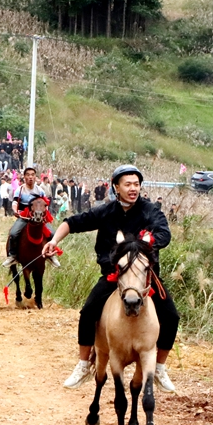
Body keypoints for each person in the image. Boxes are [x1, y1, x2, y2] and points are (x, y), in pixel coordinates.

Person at [44, 164, 179, 393]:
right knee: (88, 312)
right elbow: (72, 223)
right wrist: (54, 241)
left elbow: (164, 233)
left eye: (136, 184)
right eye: (127, 184)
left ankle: (159, 367)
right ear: (116, 186)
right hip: (113, 275)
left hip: (145, 277)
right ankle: (84, 364)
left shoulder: (150, 211)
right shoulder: (105, 211)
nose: (133, 188)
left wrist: (149, 240)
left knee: (172, 316)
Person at [2, 167, 61, 268]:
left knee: (52, 234)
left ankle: (51, 255)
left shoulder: (40, 190)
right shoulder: (20, 190)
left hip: (39, 217)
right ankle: (12, 256)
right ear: (24, 177)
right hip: (24, 217)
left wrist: (45, 213)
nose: (30, 177)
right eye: (28, 175)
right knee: (13, 233)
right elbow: (15, 202)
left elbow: (45, 204)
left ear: (35, 177)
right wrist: (15, 211)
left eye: (32, 175)